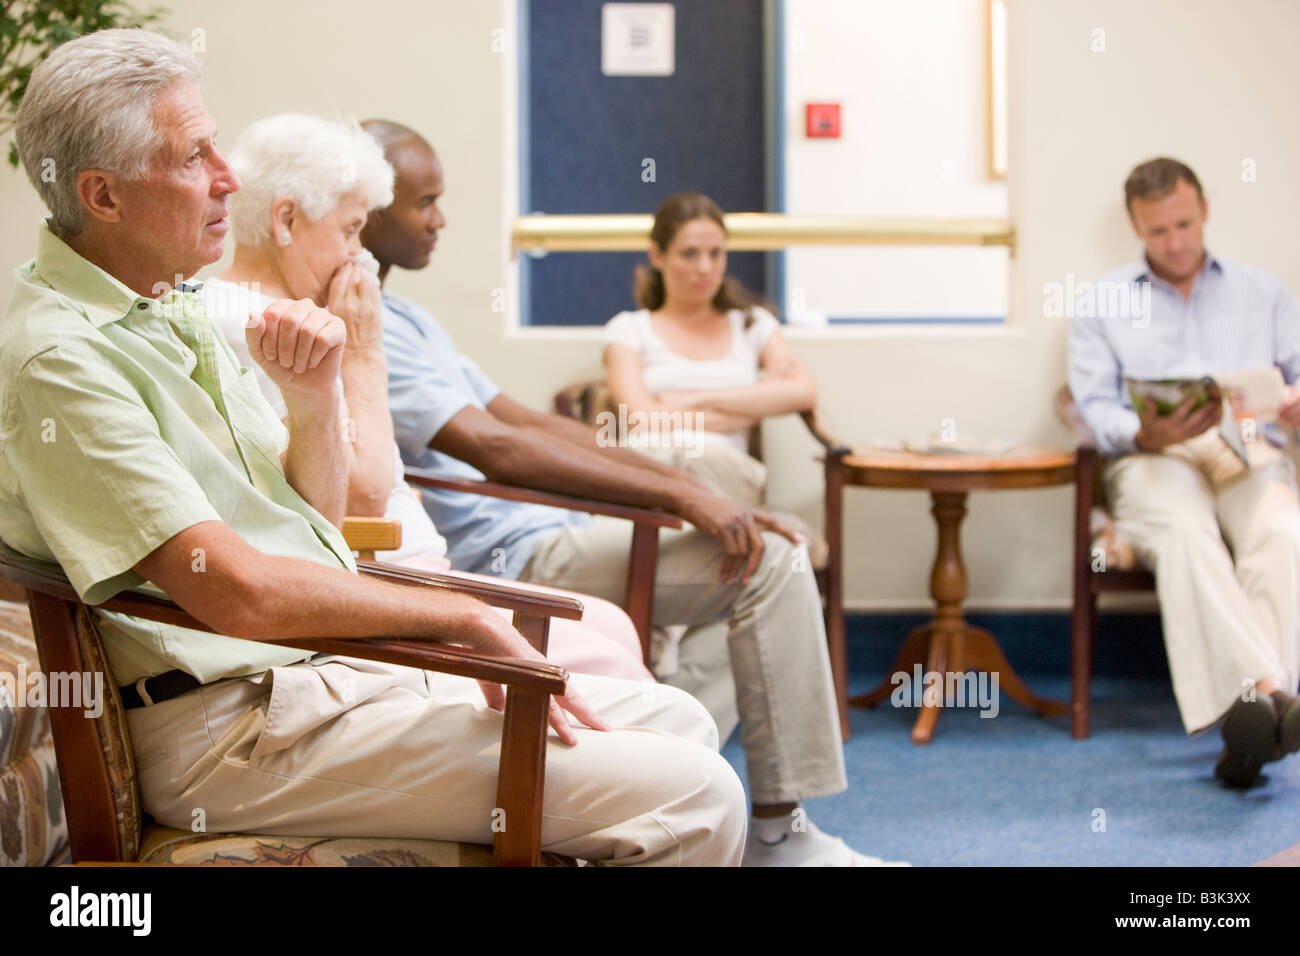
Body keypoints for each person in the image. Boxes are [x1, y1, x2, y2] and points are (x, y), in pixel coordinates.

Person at [0, 28, 746, 866]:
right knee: (696, 793)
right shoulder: (63, 358)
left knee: (683, 721)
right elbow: (239, 594)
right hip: (231, 731)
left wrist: (315, 398)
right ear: (101, 196)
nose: (228, 176)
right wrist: (463, 619)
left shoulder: (166, 305)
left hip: (310, 681)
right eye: (193, 156)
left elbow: (314, 530)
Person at [362, 120, 905, 866]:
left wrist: (676, 484)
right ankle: (777, 836)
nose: (441, 219)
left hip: (549, 531)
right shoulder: (366, 326)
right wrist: (684, 492)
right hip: (507, 557)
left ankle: (732, 805)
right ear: (365, 206)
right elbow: (496, 446)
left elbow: (520, 417)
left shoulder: (408, 317)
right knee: (770, 563)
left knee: (742, 531)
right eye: (425, 203)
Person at [202, 111, 650, 683]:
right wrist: (363, 351)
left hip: (410, 575)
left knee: (611, 627)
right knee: (611, 661)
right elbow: (364, 498)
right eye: (350, 230)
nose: (359, 257)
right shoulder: (263, 328)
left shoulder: (284, 312)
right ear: (286, 219)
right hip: (374, 590)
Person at [1068, 156, 1300, 788]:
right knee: (1183, 530)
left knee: (1283, 532)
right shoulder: (1101, 304)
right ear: (1135, 228)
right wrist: (1142, 430)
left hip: (1248, 451)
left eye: (1184, 225)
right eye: (1157, 231)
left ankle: (1253, 719)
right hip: (1155, 459)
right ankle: (1271, 694)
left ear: (1204, 212)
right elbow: (1094, 409)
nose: (1174, 242)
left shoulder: (1264, 293)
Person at [603, 191, 816, 506]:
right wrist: (753, 403)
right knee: (653, 458)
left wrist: (694, 399)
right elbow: (641, 421)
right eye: (689, 254)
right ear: (657, 256)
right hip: (651, 468)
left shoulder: (753, 324)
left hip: (725, 475)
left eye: (716, 254)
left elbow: (802, 392)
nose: (705, 268)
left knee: (695, 459)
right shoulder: (628, 330)